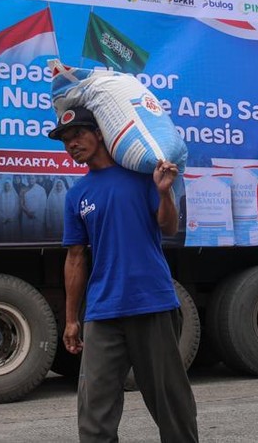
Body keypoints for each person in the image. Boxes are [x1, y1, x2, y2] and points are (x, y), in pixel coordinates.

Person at [50, 106, 198, 443]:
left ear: (100, 134)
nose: (72, 144)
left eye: (78, 135)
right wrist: (71, 319)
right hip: (102, 311)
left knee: (171, 405)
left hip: (152, 303)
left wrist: (164, 193)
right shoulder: (77, 195)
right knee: (94, 413)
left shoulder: (142, 177)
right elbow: (75, 258)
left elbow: (169, 227)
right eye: (66, 140)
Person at [21, 175, 48, 240]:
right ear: (27, 179)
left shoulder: (41, 189)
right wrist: (28, 213)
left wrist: (35, 214)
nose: (31, 180)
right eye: (29, 178)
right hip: (26, 215)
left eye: (32, 178)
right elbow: (21, 203)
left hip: (38, 216)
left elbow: (43, 204)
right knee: (27, 236)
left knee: (38, 235)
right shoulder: (23, 189)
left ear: (35, 179)